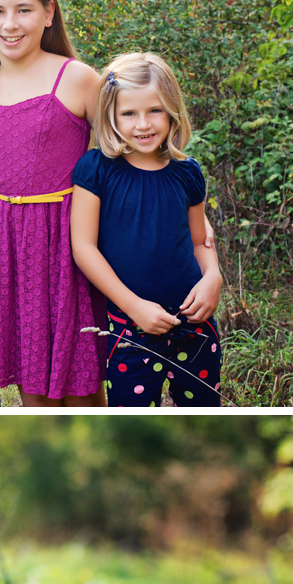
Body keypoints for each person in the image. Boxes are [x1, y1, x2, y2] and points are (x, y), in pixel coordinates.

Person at [0, 0, 106, 406]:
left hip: (67, 240)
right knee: (31, 381)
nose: (10, 24)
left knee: (81, 379)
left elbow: (117, 167)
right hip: (7, 242)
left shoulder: (78, 78)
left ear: (48, 13)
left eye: (24, 10)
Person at [70, 52, 223, 405]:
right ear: (111, 115)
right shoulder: (96, 169)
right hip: (130, 327)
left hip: (195, 320)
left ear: (172, 111)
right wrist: (134, 306)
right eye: (129, 113)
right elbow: (84, 248)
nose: (143, 124)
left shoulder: (188, 172)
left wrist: (213, 277)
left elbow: (201, 241)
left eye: (154, 110)